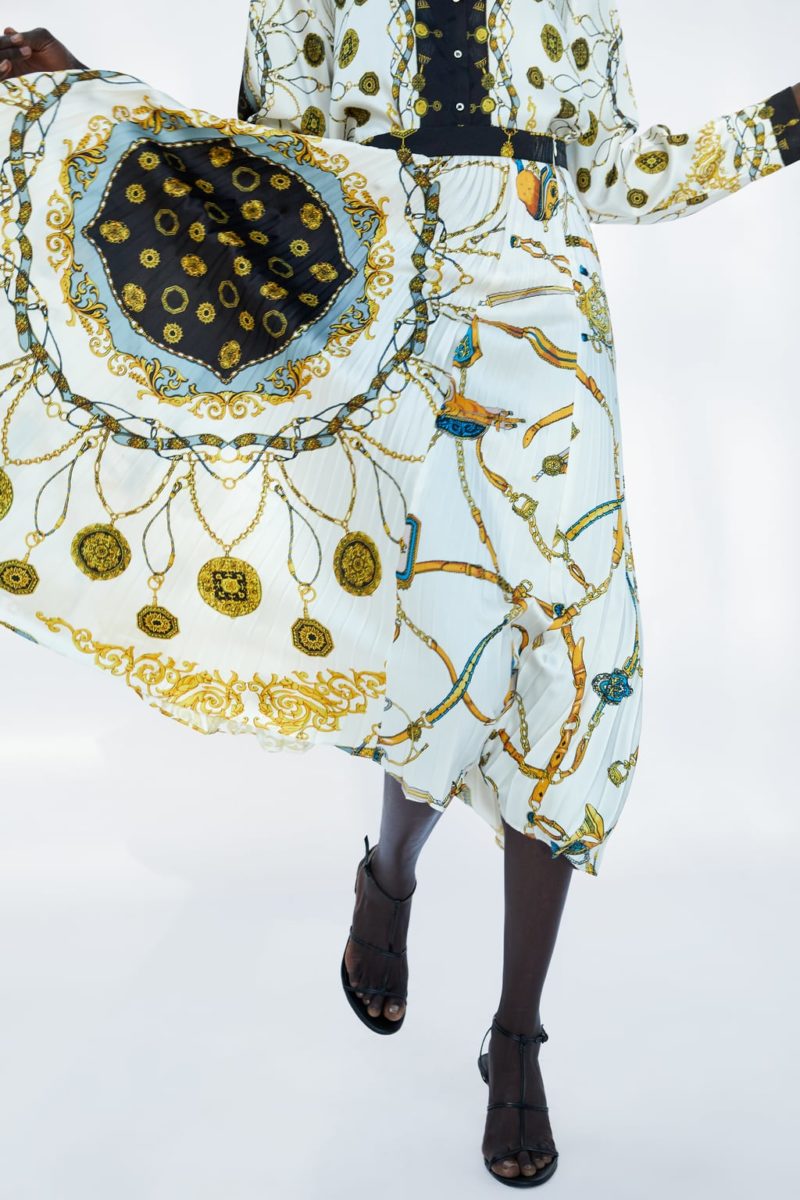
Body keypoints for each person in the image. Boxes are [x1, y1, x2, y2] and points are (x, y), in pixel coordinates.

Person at [0, 4, 798, 1187]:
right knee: (440, 640)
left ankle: (516, 1035)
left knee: (577, 655)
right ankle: (388, 880)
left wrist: (781, 122)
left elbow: (615, 170)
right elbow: (262, 168)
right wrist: (90, 94)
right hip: (397, 327)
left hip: (553, 321)